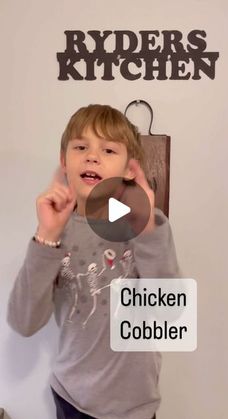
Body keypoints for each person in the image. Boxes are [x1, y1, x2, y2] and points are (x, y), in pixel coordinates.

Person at [7, 104, 180, 419]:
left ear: (130, 169)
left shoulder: (145, 227)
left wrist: (147, 229)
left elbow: (168, 316)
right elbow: (24, 322)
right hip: (73, 400)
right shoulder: (56, 231)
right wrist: (46, 236)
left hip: (136, 408)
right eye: (81, 147)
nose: (92, 156)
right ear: (64, 161)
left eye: (109, 149)